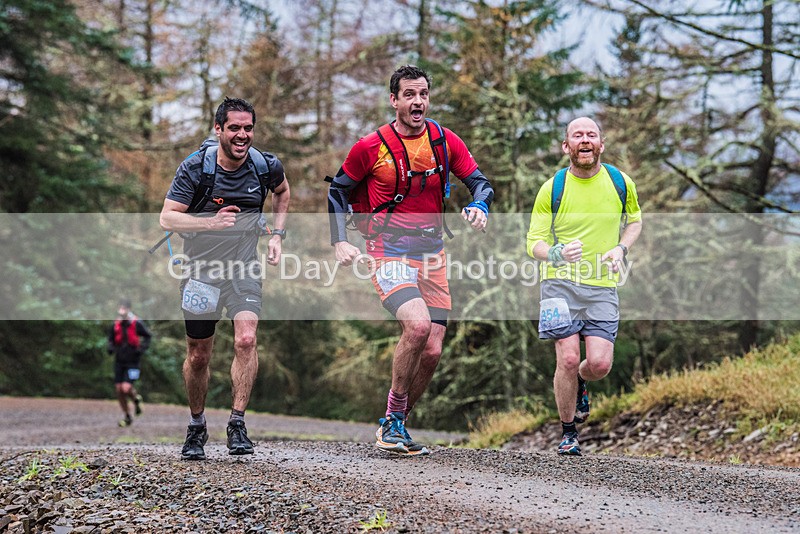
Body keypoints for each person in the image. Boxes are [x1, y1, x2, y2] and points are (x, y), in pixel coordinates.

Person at [327, 65, 494, 455]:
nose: (417, 101)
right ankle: (394, 423)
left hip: (432, 252)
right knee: (417, 327)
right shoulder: (370, 146)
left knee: (433, 349)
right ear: (394, 100)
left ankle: (395, 421)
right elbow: (338, 191)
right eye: (409, 95)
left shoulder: (443, 140)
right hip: (388, 250)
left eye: (423, 94)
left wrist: (480, 205)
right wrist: (339, 242)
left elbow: (480, 182)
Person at [160, 97, 290, 460]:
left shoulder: (265, 165)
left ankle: (237, 423)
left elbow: (283, 192)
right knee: (199, 355)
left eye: (248, 128)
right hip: (201, 273)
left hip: (244, 269)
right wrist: (209, 222)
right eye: (234, 128)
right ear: (218, 129)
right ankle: (197, 425)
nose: (242, 135)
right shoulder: (195, 169)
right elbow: (168, 218)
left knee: (246, 339)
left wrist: (278, 236)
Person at [526, 117, 642, 456]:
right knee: (568, 357)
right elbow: (533, 242)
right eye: (577, 135)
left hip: (603, 285)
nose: (585, 139)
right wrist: (556, 252)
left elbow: (634, 221)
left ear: (601, 144)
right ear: (567, 147)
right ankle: (568, 433)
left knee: (599, 365)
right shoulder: (553, 188)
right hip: (559, 284)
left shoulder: (621, 182)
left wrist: (621, 248)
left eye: (591, 134)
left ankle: (580, 382)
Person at [107, 298, 151, 427]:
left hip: (133, 361)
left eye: (124, 308)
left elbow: (148, 336)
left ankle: (136, 399)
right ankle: (127, 416)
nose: (122, 310)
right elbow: (110, 339)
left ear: (128, 309)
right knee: (118, 389)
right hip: (119, 360)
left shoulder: (137, 323)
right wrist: (110, 348)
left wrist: (141, 349)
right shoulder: (115, 324)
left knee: (126, 388)